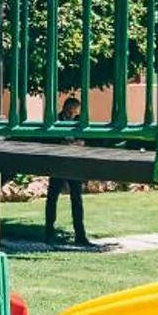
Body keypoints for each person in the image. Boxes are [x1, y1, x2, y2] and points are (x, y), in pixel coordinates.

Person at [45, 95, 91, 248]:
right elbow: (47, 140)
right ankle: (49, 233)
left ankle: (80, 235)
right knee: (52, 197)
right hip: (58, 162)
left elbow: (86, 140)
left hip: (74, 162)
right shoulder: (54, 120)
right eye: (70, 112)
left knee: (77, 198)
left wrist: (79, 143)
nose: (72, 115)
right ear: (65, 108)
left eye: (74, 112)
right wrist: (61, 143)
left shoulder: (79, 122)